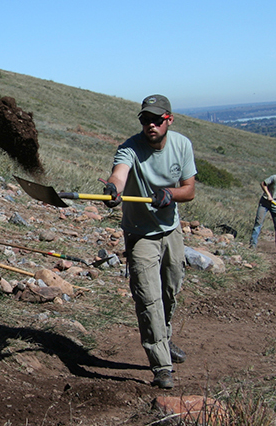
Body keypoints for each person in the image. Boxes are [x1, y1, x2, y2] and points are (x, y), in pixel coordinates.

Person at [101, 94, 196, 389]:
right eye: (145, 120)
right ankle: (161, 365)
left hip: (171, 230)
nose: (150, 125)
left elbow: (189, 189)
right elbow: (119, 174)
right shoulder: (129, 148)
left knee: (170, 290)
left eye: (156, 120)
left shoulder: (182, 145)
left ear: (169, 120)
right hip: (141, 233)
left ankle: (164, 339)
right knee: (148, 297)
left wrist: (170, 194)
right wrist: (112, 189)